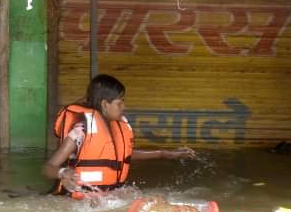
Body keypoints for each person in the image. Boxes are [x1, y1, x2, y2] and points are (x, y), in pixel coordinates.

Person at [42, 74, 195, 197]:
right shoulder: (80, 130)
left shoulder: (117, 125)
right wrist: (63, 173)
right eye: (119, 102)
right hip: (77, 201)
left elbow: (123, 155)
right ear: (104, 104)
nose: (124, 107)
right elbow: (48, 168)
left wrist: (164, 154)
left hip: (107, 197)